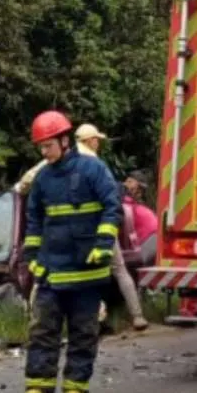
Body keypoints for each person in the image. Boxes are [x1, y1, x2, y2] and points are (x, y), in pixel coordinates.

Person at [22, 111, 121, 393]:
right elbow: (34, 220)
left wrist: (104, 244)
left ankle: (76, 384)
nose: (44, 152)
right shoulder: (42, 179)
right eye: (40, 147)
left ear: (65, 141)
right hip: (52, 271)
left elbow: (111, 206)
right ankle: (39, 384)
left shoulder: (94, 170)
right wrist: (32, 257)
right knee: (42, 329)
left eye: (48, 146)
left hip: (87, 270)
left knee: (83, 331)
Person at [74, 124, 148, 331]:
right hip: (102, 229)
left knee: (87, 275)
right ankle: (137, 316)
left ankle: (95, 319)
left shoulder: (67, 163)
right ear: (89, 141)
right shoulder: (97, 166)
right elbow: (112, 201)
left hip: (79, 231)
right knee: (119, 270)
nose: (98, 142)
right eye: (96, 139)